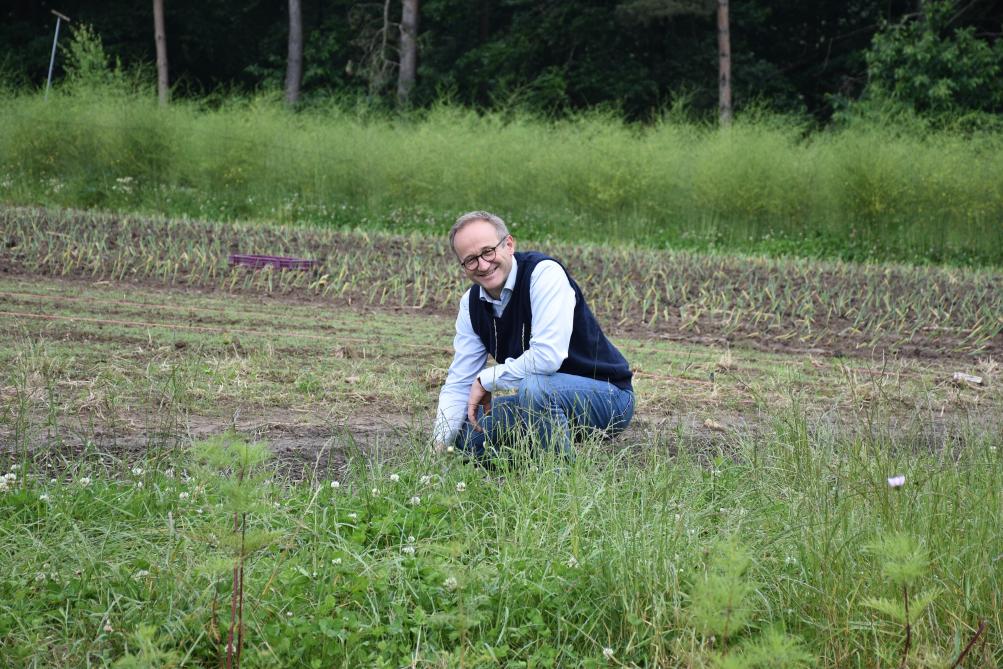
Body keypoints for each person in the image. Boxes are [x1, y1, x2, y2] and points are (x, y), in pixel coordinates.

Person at [433, 210, 634, 459]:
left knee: (536, 387)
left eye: (488, 251)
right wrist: (438, 448)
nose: (483, 265)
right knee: (465, 438)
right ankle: (532, 458)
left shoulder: (543, 274)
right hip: (538, 402)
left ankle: (557, 482)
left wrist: (487, 379)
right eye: (471, 259)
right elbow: (460, 382)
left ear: (509, 244)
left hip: (607, 397)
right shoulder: (471, 304)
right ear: (463, 266)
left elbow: (547, 357)